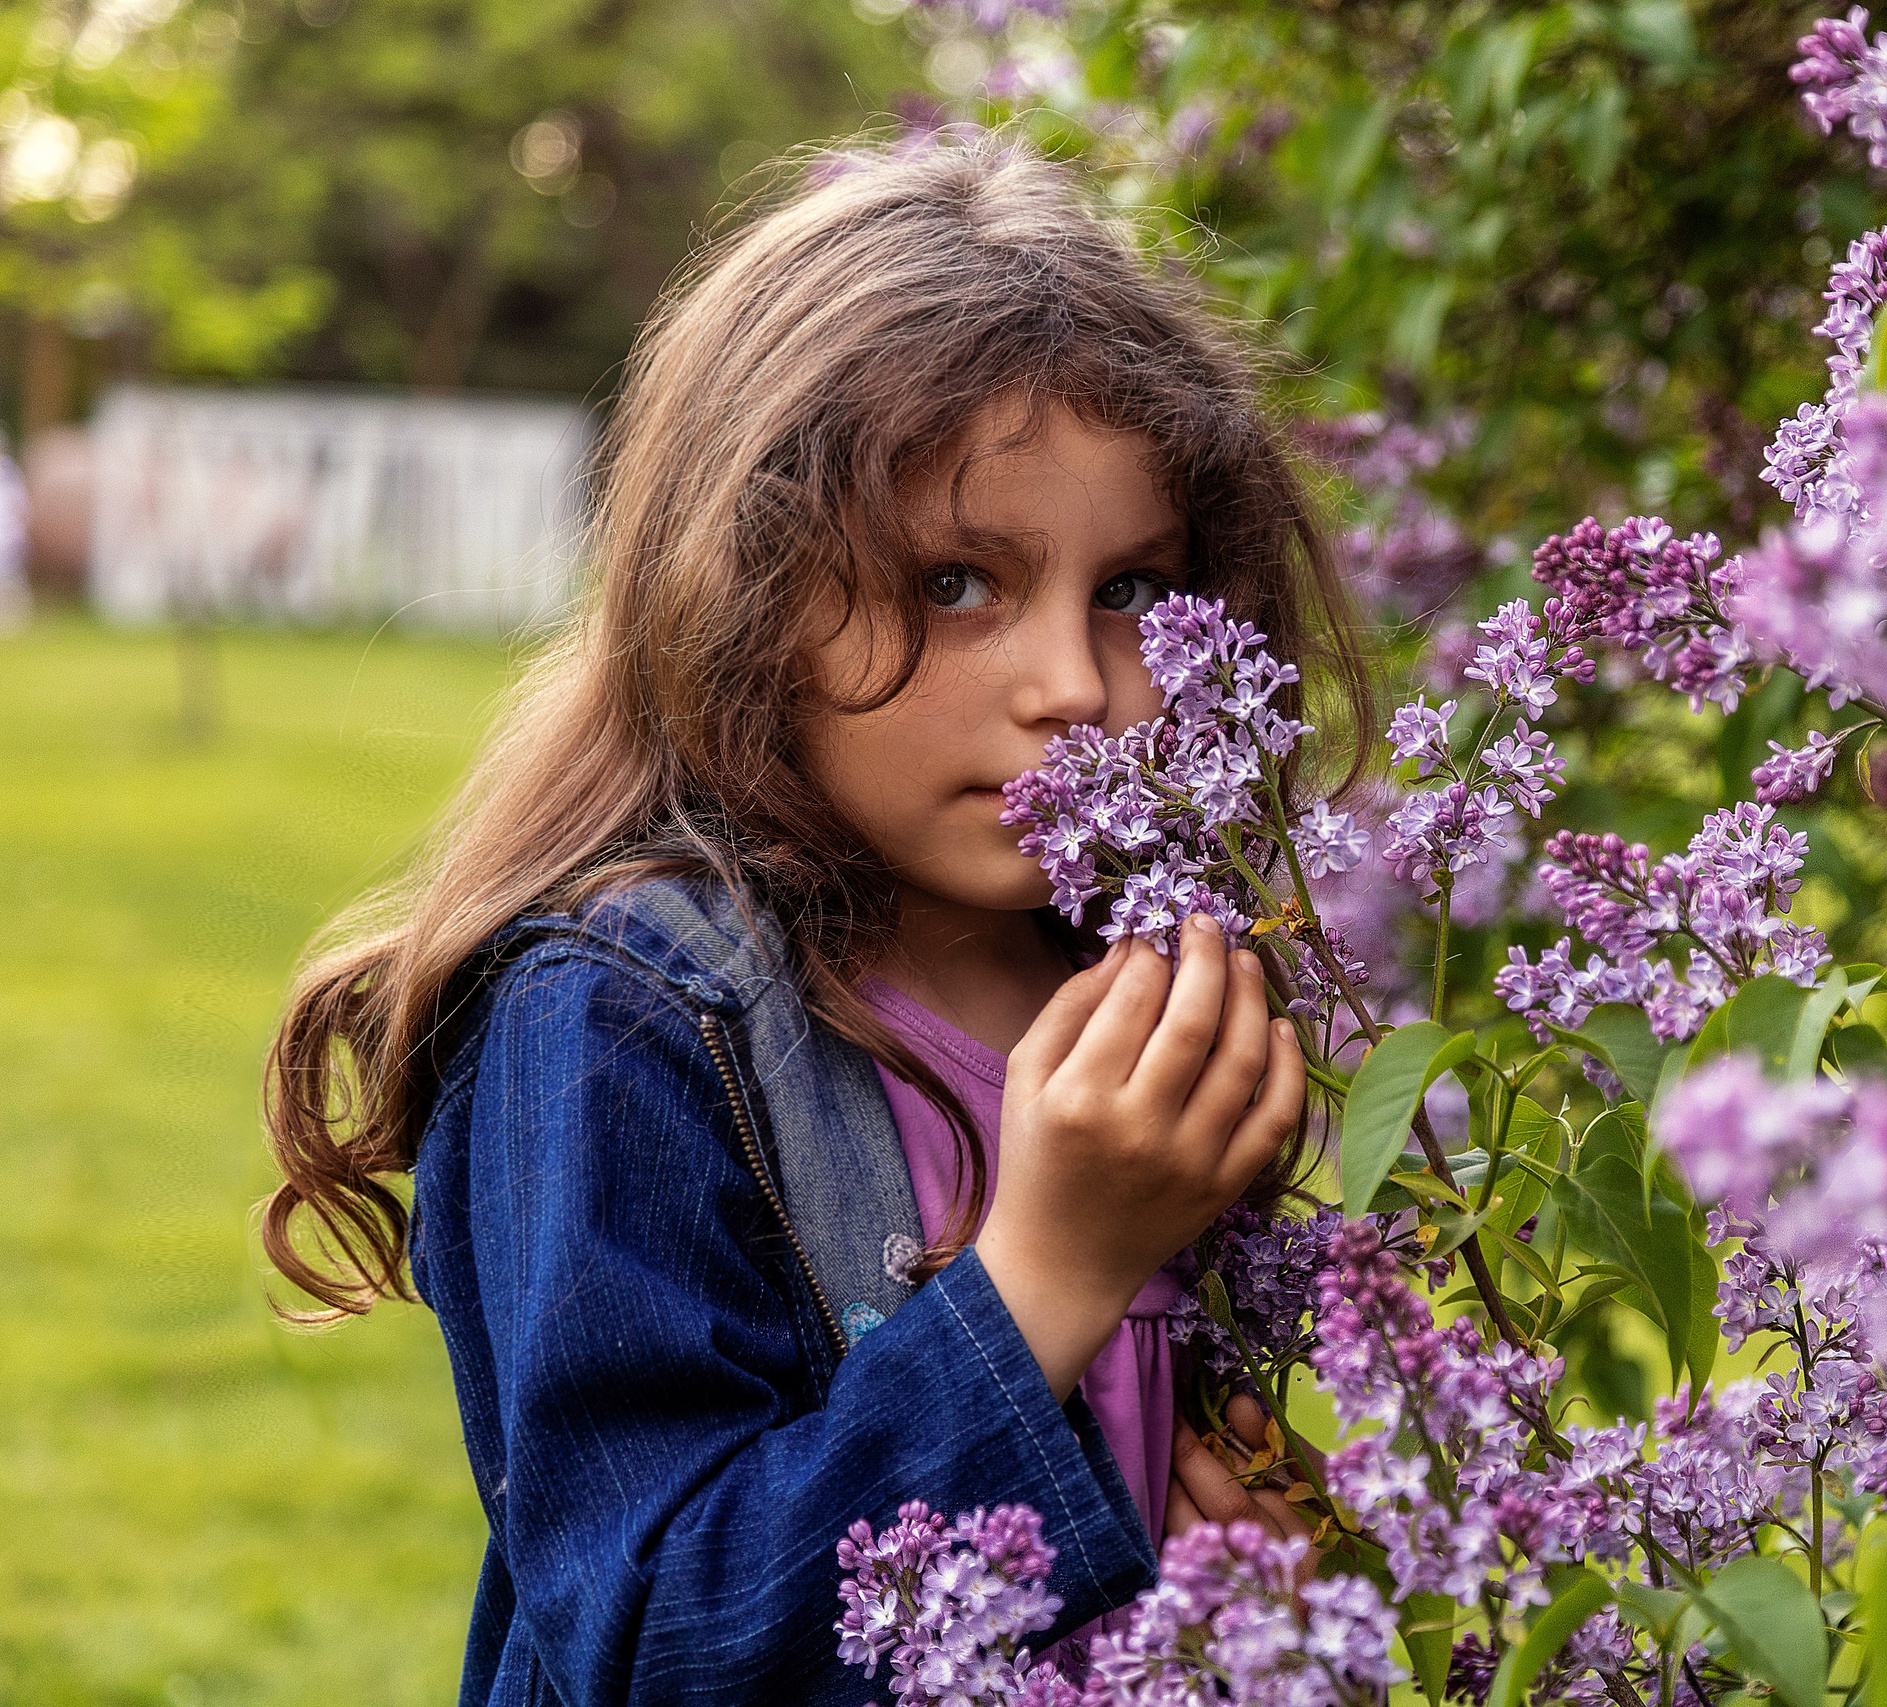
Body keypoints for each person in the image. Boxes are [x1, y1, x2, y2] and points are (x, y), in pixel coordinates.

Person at [258, 135, 1370, 1706]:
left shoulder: (1119, 969)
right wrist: (1042, 1276)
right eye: (958, 583)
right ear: (747, 590)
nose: (1074, 686)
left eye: (1131, 592)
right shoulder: (626, 1021)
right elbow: (648, 1646)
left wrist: (1266, 1584)